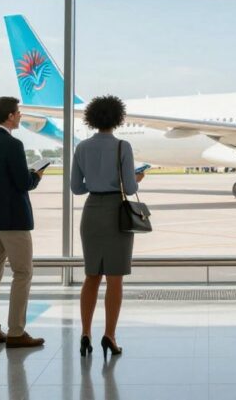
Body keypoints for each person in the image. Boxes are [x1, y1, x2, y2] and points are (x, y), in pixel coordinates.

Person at [71, 96, 145, 359]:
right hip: (116, 213)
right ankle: (110, 336)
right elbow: (131, 187)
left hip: (91, 213)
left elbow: (76, 187)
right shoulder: (122, 147)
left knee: (91, 276)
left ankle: (85, 333)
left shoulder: (81, 148)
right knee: (115, 279)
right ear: (117, 118)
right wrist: (136, 177)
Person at [0, 96, 45, 348]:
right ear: (10, 116)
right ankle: (16, 331)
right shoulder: (13, 145)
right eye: (18, 112)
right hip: (13, 220)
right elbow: (22, 183)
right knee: (23, 273)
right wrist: (36, 176)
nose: (21, 116)